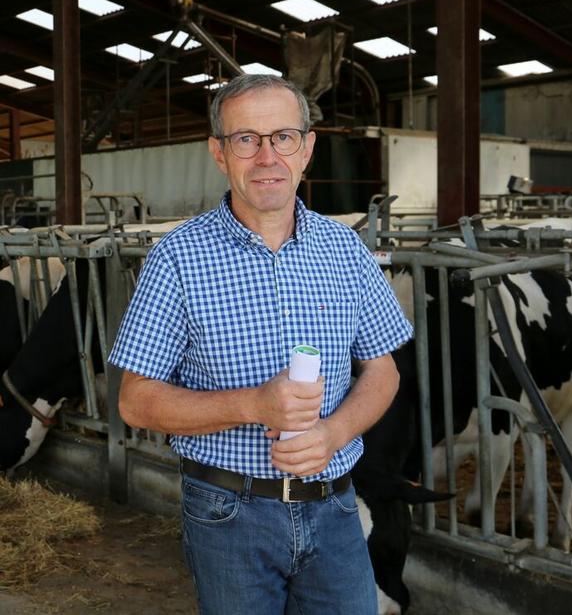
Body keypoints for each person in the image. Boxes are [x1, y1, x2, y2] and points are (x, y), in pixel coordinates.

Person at [108, 74, 413, 614]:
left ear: (307, 148)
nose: (267, 155)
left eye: (283, 137)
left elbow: (383, 370)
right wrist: (253, 403)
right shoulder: (177, 258)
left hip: (337, 506)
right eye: (246, 138)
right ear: (219, 154)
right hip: (228, 511)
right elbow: (135, 401)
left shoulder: (345, 249)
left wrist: (334, 431)